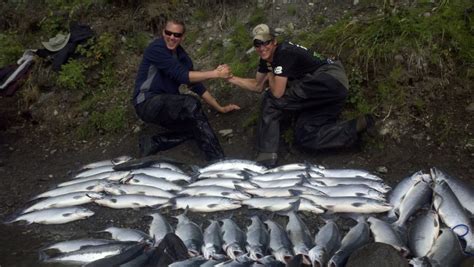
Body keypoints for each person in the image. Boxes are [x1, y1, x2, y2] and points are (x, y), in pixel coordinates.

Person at [226, 24, 374, 166]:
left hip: (327, 78)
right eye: (258, 44)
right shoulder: (268, 59)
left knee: (270, 100)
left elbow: (277, 93)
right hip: (328, 93)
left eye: (266, 42)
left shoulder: (283, 53)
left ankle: (265, 160)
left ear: (274, 41)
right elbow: (257, 85)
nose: (262, 48)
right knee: (304, 135)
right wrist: (231, 78)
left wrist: (270, 72)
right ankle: (354, 128)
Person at [132, 19, 240, 161]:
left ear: (183, 37)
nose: (172, 37)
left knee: (197, 127)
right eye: (168, 33)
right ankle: (218, 160)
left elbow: (197, 86)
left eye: (176, 35)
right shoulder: (156, 49)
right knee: (190, 103)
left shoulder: (183, 58)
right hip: (147, 103)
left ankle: (153, 142)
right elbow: (182, 76)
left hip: (167, 106)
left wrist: (220, 108)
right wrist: (216, 74)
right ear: (163, 32)